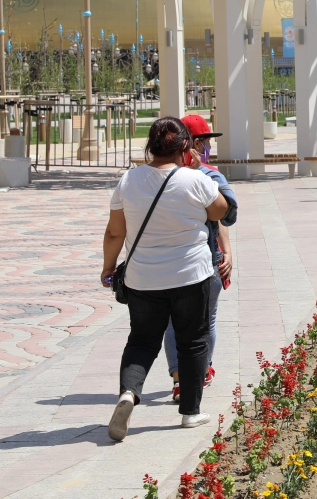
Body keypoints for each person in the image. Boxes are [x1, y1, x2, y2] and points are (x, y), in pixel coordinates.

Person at [102, 117, 230, 440]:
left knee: (142, 341)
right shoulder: (194, 179)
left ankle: (128, 394)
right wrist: (198, 169)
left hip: (143, 279)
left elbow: (116, 232)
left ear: (151, 146)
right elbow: (220, 211)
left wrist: (108, 267)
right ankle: (190, 411)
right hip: (191, 276)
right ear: (185, 147)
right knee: (193, 341)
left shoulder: (128, 181)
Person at [163, 115, 235, 405]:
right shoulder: (211, 176)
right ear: (191, 144)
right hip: (203, 259)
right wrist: (226, 252)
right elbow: (226, 215)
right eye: (204, 142)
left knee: (172, 322)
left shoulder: (159, 175)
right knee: (207, 319)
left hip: (169, 260)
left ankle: (181, 378)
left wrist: (228, 252)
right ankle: (200, 372)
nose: (208, 147)